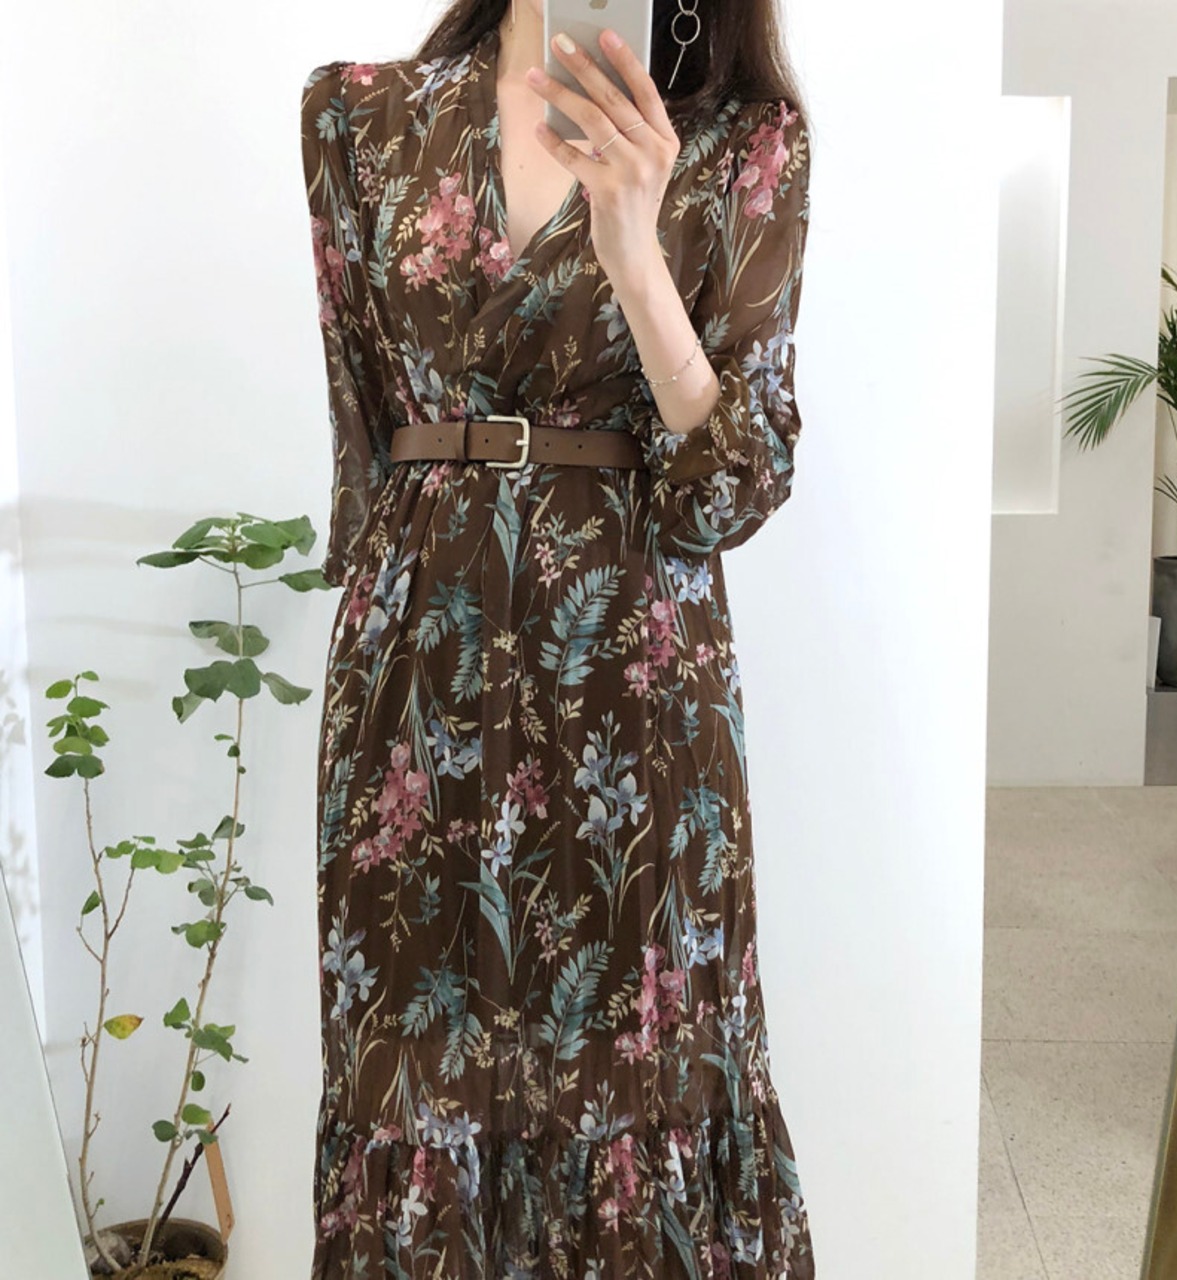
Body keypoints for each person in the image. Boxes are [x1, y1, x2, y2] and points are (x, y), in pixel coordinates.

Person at [299, 0, 814, 1274]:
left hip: (634, 704)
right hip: (414, 699)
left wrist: (634, 249)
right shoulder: (359, 119)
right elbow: (362, 443)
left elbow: (733, 490)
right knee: (415, 1080)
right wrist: (381, 650)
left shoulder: (744, 145)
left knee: (637, 1082)